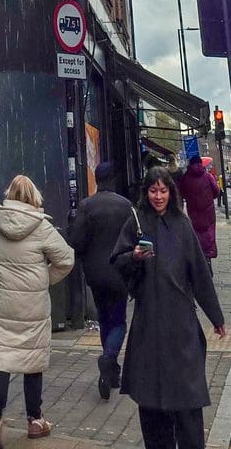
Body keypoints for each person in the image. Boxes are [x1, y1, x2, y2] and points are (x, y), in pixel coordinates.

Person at [111, 166, 227, 449]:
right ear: (146, 192)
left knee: (187, 397)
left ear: (171, 192)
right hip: (148, 323)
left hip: (181, 324)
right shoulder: (136, 222)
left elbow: (199, 273)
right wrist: (134, 256)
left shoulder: (182, 224)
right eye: (153, 191)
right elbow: (118, 261)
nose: (158, 196)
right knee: (151, 399)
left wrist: (216, 316)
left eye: (163, 190)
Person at [0, 174, 74, 448]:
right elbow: (66, 259)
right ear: (34, 197)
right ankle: (35, 420)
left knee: (1, 358)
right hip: (32, 307)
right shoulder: (41, 226)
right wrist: (45, 278)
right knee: (32, 360)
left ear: (9, 195)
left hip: (0, 303)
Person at [67, 160, 134, 398]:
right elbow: (136, 238)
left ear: (96, 179)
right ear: (113, 179)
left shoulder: (86, 205)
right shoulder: (126, 206)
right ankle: (109, 357)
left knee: (104, 318)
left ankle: (110, 373)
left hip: (95, 274)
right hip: (120, 271)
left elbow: (76, 241)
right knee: (119, 321)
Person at [175, 154, 221, 266]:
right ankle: (208, 255)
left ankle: (199, 254)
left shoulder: (186, 177)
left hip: (193, 211)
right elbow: (216, 191)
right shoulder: (208, 176)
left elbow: (182, 192)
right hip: (208, 211)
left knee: (196, 232)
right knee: (209, 232)